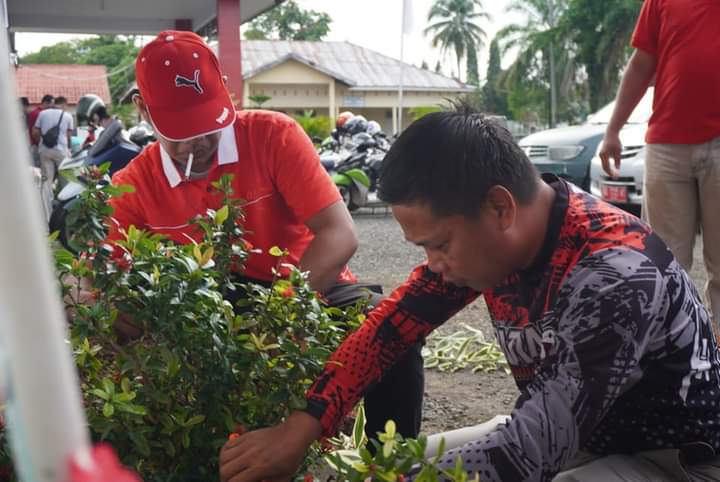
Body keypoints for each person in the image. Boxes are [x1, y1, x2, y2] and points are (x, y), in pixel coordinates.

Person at [220, 106, 720, 482]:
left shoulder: (614, 274)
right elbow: (388, 329)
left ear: (499, 208)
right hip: (578, 437)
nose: (433, 265)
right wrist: (304, 425)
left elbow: (530, 450)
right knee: (382, 468)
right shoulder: (491, 244)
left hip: (673, 464)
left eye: (438, 244)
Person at [106, 30, 424, 444]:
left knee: (394, 336)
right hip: (204, 308)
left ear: (225, 95)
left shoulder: (273, 135)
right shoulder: (131, 185)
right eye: (182, 133)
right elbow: (112, 288)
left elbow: (339, 235)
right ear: (144, 113)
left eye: (208, 124)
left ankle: (391, 463)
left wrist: (277, 317)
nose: (200, 144)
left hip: (303, 287)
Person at [598, 0, 720, 327]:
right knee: (664, 263)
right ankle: (676, 350)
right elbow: (641, 64)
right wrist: (613, 130)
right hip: (667, 144)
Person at [32, 96, 73, 220]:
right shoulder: (67, 116)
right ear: (64, 104)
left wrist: (41, 143)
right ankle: (64, 212)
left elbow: (35, 132)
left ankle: (47, 214)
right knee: (65, 181)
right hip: (61, 151)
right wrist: (69, 149)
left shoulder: (43, 114)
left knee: (47, 182)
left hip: (45, 151)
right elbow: (69, 135)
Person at [27, 94, 54, 167]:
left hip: (33, 144)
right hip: (38, 145)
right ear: (45, 103)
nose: (51, 107)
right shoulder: (39, 114)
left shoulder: (34, 112)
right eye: (51, 105)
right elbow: (36, 132)